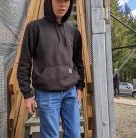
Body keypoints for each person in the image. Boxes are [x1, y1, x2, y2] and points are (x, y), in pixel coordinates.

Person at [17, 0, 85, 137]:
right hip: (47, 93)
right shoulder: (34, 28)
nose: (63, 5)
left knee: (74, 134)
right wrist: (27, 94)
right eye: (58, 1)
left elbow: (78, 62)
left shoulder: (74, 31)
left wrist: (80, 87)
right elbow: (24, 63)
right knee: (50, 136)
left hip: (70, 93)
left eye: (66, 1)